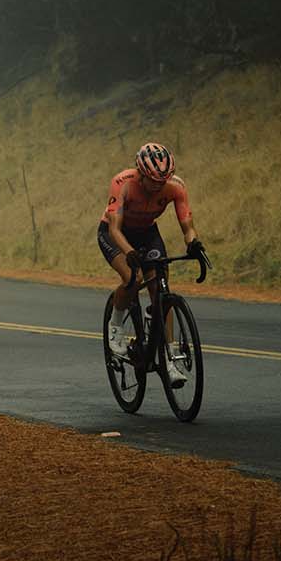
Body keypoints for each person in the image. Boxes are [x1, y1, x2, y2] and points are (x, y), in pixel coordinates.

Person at [98, 141, 203, 384]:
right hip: (116, 233)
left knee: (161, 291)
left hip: (147, 233)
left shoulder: (175, 187)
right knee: (132, 279)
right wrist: (129, 251)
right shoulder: (122, 182)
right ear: (141, 174)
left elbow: (187, 224)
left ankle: (169, 359)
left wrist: (194, 242)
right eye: (154, 181)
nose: (159, 186)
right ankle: (115, 325)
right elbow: (114, 228)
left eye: (163, 181)